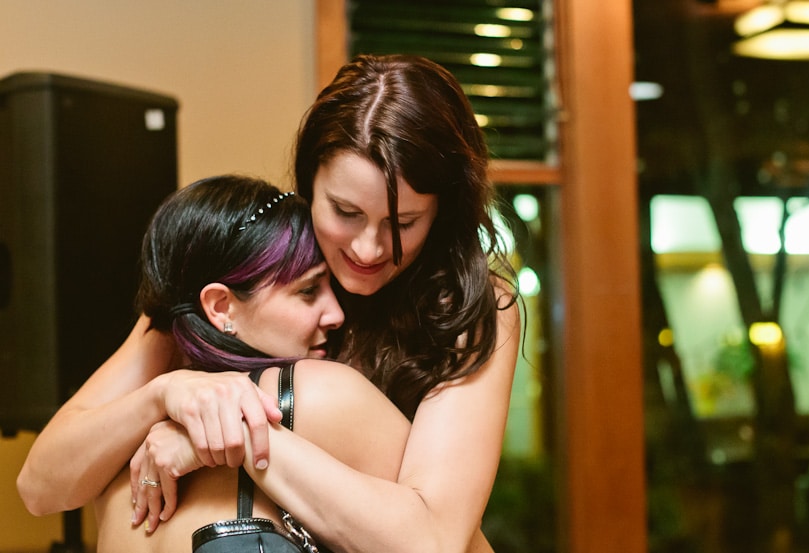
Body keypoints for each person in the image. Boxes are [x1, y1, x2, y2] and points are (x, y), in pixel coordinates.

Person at [18, 54, 521, 552]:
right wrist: (164, 394)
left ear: (441, 212)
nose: (368, 249)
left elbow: (434, 539)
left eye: (403, 223)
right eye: (345, 212)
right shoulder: (247, 271)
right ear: (308, 185)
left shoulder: (470, 308)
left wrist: (221, 441)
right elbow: (40, 487)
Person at [83, 173, 411, 551]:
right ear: (222, 307)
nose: (336, 313)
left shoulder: (113, 448)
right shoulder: (320, 394)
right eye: (307, 290)